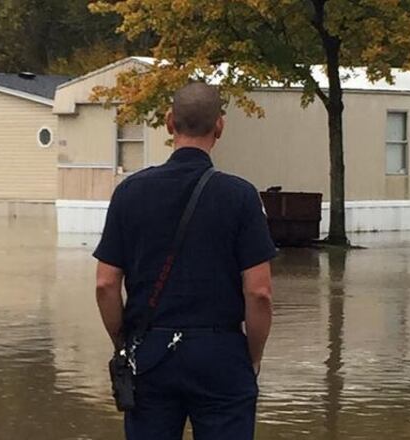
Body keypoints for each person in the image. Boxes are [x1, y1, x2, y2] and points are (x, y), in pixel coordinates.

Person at [93, 82, 276, 440]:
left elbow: (105, 285)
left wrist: (125, 344)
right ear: (219, 126)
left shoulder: (129, 193)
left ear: (168, 122)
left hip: (150, 352)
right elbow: (259, 292)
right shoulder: (240, 196)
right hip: (221, 352)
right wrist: (251, 357)